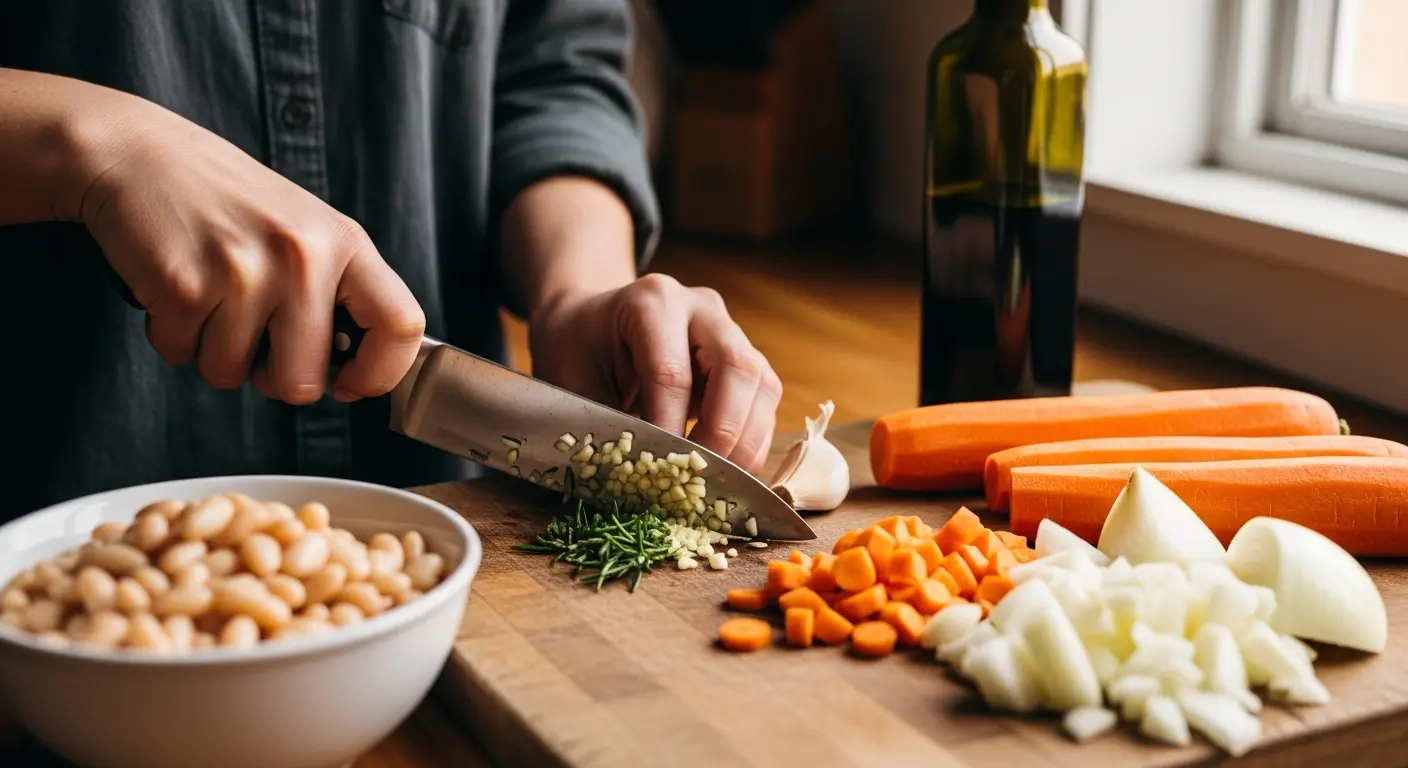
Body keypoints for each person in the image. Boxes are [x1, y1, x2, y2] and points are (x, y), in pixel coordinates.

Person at [0, 1, 782, 522]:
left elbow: (553, 73)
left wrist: (578, 286)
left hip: (448, 540)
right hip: (59, 494)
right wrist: (92, 146)